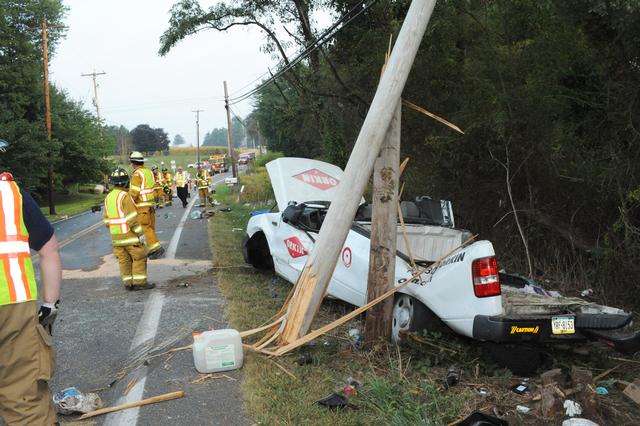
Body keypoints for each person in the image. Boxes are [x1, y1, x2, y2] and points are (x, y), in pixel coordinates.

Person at [0, 140, 61, 425]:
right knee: (22, 393)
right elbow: (49, 250)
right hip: (13, 306)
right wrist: (50, 304)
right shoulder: (12, 197)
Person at [104, 168, 155, 291]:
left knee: (124, 260)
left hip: (116, 238)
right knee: (139, 256)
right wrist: (139, 233)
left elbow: (106, 221)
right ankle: (139, 282)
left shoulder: (108, 197)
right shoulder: (125, 196)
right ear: (125, 182)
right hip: (130, 236)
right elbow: (131, 217)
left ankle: (128, 283)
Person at [129, 152, 164, 259]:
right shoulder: (148, 172)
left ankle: (155, 249)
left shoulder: (137, 174)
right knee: (150, 227)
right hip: (150, 205)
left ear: (132, 163)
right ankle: (155, 247)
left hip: (141, 206)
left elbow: (134, 193)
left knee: (145, 228)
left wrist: (128, 204)